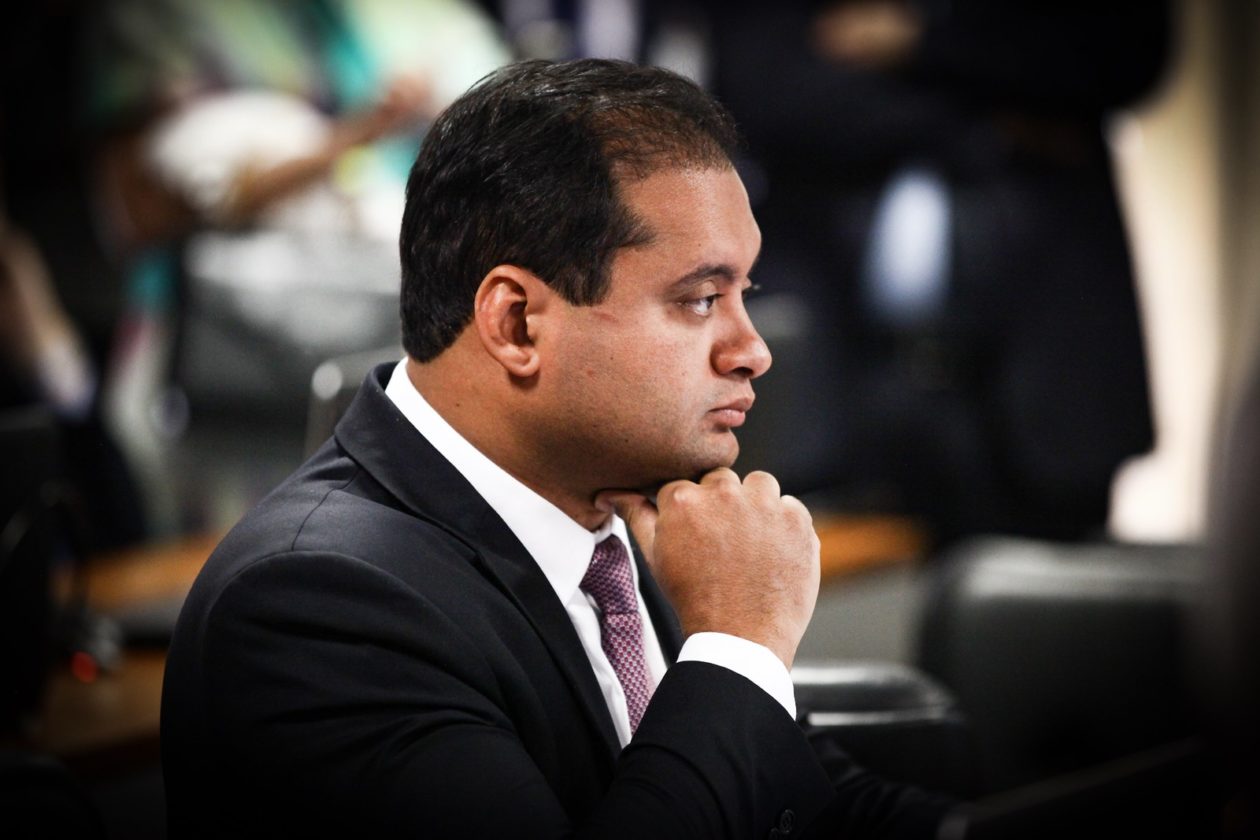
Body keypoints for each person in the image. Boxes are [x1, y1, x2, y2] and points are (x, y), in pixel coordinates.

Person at [161, 59, 952, 838]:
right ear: (516, 324)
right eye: (702, 298)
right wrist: (737, 645)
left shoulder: (613, 511)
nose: (752, 350)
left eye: (744, 294)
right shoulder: (315, 603)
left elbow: (812, 800)